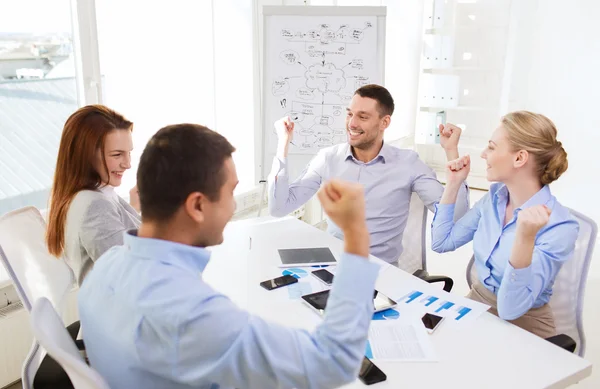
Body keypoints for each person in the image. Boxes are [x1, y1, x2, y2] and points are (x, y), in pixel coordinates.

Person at [78, 123, 380, 389]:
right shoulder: (193, 316)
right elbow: (336, 360)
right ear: (197, 206)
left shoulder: (105, 267)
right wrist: (356, 234)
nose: (233, 207)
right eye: (230, 193)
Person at [268, 84, 469, 265]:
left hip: (381, 274)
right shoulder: (328, 158)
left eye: (362, 117)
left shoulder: (408, 164)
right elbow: (279, 207)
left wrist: (451, 152)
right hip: (333, 267)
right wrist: (283, 144)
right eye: (349, 114)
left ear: (384, 122)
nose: (352, 124)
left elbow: (455, 216)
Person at [431, 111, 579, 338]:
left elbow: (510, 309)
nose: (483, 154)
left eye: (491, 147)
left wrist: (525, 238)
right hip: (477, 305)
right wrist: (453, 183)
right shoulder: (495, 198)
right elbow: (441, 242)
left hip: (525, 326)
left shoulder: (560, 227)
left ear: (519, 158)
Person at [46, 105, 140, 286]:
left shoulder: (94, 193)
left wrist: (134, 209)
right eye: (117, 154)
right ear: (86, 156)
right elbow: (131, 275)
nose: (127, 164)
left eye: (129, 153)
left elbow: (116, 236)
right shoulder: (95, 205)